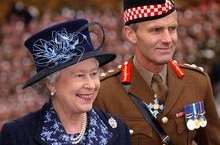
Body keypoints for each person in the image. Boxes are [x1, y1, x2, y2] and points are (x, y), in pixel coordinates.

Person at [94, 0, 220, 145]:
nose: (168, 39)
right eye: (156, 30)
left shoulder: (197, 82)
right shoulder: (104, 92)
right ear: (131, 34)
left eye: (172, 29)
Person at [0, 19, 131, 145]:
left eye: (94, 74)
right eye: (80, 75)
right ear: (51, 83)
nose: (91, 85)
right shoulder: (19, 136)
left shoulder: (117, 131)